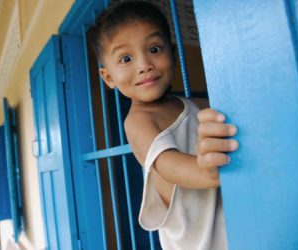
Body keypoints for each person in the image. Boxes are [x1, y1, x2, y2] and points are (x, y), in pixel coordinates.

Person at [90, 1, 239, 249]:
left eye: (155, 49)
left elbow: (236, 109)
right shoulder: (138, 121)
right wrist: (204, 169)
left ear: (172, 53)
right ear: (108, 77)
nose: (144, 65)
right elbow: (168, 164)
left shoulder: (193, 104)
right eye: (126, 58)